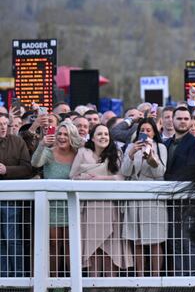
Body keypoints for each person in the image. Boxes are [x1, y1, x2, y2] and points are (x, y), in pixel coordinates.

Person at [70, 124, 131, 277]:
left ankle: (111, 285)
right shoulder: (83, 152)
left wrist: (98, 177)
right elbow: (73, 176)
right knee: (93, 246)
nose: (103, 137)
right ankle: (94, 284)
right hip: (90, 206)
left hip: (111, 205)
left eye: (106, 134)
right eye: (99, 134)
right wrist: (87, 176)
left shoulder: (116, 153)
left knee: (111, 246)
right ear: (92, 137)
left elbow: (122, 177)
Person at [31, 120, 83, 277]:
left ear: (72, 136)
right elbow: (35, 163)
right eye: (59, 133)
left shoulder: (78, 154)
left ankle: (70, 283)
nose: (62, 137)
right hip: (51, 205)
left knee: (69, 244)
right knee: (53, 243)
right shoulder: (49, 152)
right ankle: (52, 280)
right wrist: (42, 145)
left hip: (71, 205)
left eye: (66, 134)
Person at [120, 118, 168, 277]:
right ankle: (140, 278)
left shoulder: (160, 147)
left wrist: (151, 158)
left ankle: (155, 279)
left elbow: (160, 173)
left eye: (149, 130)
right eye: (143, 130)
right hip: (134, 197)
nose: (145, 133)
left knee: (155, 241)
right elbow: (125, 172)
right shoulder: (130, 148)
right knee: (137, 241)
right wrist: (131, 155)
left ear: (154, 132)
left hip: (153, 199)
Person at [163, 106, 195, 275]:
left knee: (188, 242)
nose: (183, 122)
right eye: (179, 118)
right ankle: (179, 280)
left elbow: (191, 169)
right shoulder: (166, 143)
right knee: (175, 242)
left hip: (188, 199)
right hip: (169, 200)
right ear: (172, 120)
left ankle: (191, 281)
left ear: (191, 121)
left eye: (186, 119)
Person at [0, 113, 33, 277]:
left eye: (5, 123)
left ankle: (18, 280)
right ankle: (3, 279)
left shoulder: (17, 142)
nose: (2, 126)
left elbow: (28, 168)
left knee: (12, 239)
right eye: (0, 123)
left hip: (11, 199)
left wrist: (7, 170)